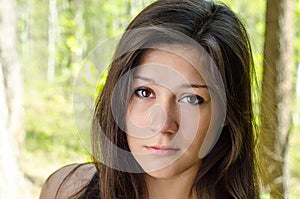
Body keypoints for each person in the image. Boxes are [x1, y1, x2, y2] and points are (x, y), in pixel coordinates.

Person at [40, 0, 260, 198]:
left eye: (191, 98)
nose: (163, 124)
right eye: (144, 92)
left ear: (227, 112)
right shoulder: (66, 191)